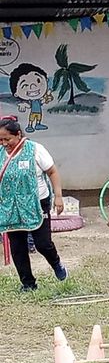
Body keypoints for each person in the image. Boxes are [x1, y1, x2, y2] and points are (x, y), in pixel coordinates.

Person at [0, 115, 67, 291]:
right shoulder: (0, 154)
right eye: (0, 140)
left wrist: (58, 196)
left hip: (37, 204)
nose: (4, 143)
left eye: (7, 139)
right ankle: (28, 283)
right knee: (18, 247)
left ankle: (56, 263)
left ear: (18, 134)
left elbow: (52, 172)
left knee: (42, 244)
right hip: (11, 207)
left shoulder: (35, 149)